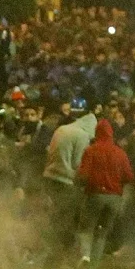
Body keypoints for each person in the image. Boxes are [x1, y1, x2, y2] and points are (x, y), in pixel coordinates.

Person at [76, 118, 133, 269]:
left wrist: (79, 183)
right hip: (114, 197)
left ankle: (85, 256)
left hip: (94, 195)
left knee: (86, 228)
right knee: (102, 233)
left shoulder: (91, 150)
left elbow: (83, 174)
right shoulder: (120, 152)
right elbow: (129, 176)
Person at [42, 105, 98, 260]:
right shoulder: (82, 136)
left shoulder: (61, 129)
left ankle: (47, 247)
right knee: (65, 217)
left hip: (49, 175)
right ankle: (58, 253)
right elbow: (78, 162)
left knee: (53, 215)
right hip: (66, 180)